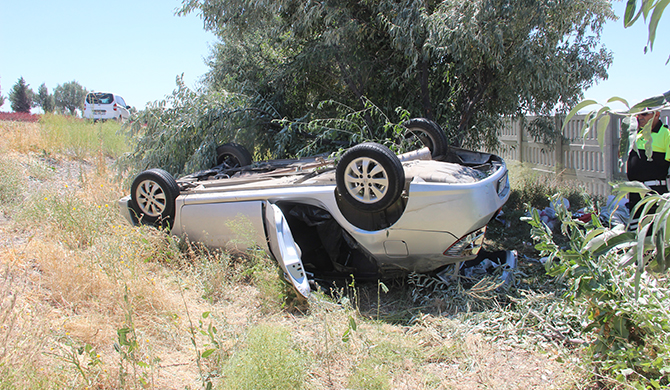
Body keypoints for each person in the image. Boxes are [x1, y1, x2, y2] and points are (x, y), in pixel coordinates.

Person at [626, 108, 670, 229]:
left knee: (652, 233)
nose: (640, 117)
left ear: (657, 114)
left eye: (644, 114)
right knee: (636, 233)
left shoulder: (666, 134)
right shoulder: (637, 134)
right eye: (638, 114)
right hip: (635, 194)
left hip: (654, 193)